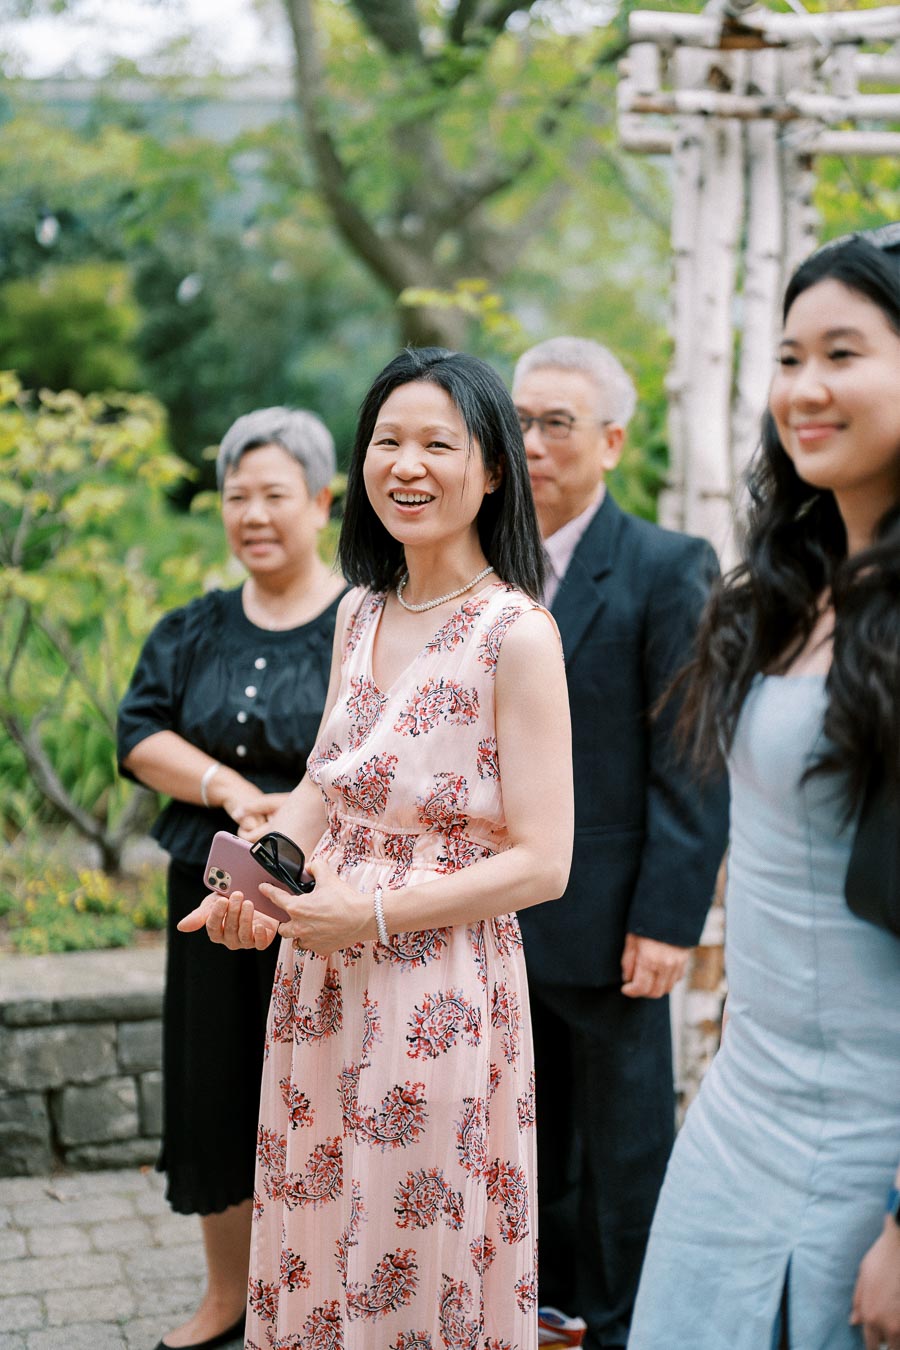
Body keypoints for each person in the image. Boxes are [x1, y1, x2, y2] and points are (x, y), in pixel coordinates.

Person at [179, 347, 574, 1347]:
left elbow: (544, 861)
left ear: (493, 471)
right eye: (387, 441)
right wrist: (251, 883)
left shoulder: (515, 633)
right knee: (318, 1233)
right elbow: (324, 787)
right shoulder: (359, 611)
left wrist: (378, 913)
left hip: (438, 988)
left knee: (412, 1241)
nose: (408, 463)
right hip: (321, 980)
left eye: (439, 442)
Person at [628, 225, 900, 1350]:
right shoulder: (783, 594)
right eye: (789, 358)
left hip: (872, 1141)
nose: (806, 388)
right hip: (744, 1105)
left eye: (844, 353)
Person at [511, 337, 730, 1350]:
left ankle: (634, 1327)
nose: (531, 443)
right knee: (523, 1145)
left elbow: (690, 757)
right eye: (516, 420)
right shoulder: (484, 569)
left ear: (611, 439)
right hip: (492, 917)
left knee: (623, 1155)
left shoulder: (665, 566)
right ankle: (538, 1316)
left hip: (612, 928)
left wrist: (666, 919)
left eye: (556, 423)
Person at [117, 407, 346, 1350]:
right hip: (208, 902)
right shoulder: (192, 627)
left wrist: (290, 818)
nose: (252, 514)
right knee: (217, 1092)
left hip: (323, 907)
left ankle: (326, 1302)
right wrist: (229, 790)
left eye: (274, 495)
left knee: (326, 1097)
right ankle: (229, 1299)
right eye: (236, 496)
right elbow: (138, 732)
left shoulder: (364, 625)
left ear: (324, 502)